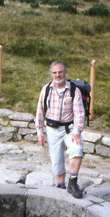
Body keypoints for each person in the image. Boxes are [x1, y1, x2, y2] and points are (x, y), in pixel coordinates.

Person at [35, 61, 85, 199]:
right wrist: (40, 132)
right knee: (56, 160)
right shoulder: (46, 89)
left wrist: (76, 131)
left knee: (77, 147)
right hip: (51, 128)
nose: (58, 75)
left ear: (65, 72)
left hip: (69, 128)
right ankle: (60, 187)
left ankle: (73, 183)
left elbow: (80, 113)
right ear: (51, 74)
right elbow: (40, 111)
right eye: (55, 72)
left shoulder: (74, 90)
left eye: (60, 72)